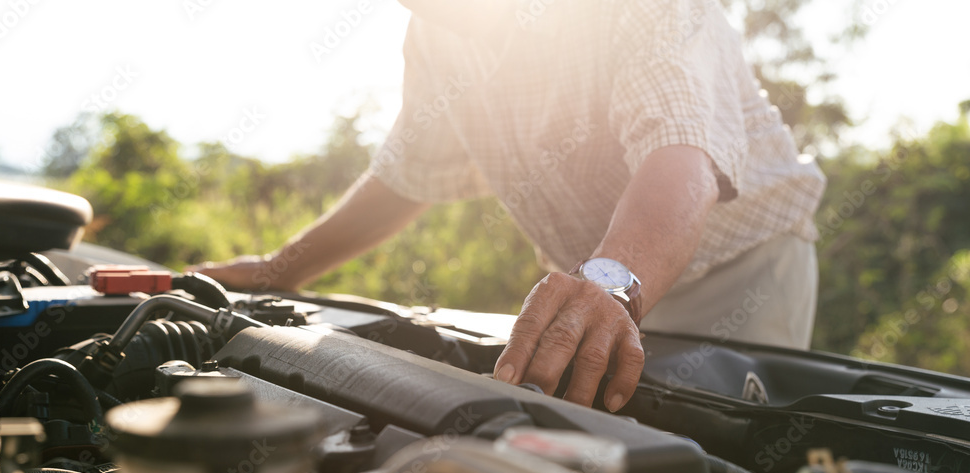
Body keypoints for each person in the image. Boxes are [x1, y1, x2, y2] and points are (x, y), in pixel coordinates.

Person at [190, 0, 826, 412]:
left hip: (737, 270)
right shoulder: (433, 34)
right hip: (595, 285)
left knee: (717, 464)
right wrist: (282, 267)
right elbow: (411, 174)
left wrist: (607, 286)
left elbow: (681, 156)